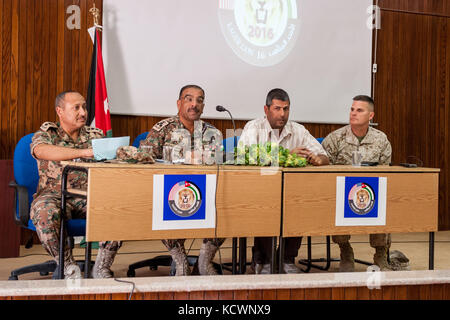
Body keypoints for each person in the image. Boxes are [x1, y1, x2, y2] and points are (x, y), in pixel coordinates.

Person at [30, 91, 122, 279]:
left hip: (89, 194)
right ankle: (67, 265)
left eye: (84, 107)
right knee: (44, 212)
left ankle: (102, 265)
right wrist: (86, 152)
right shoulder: (48, 133)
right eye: (76, 108)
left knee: (119, 211)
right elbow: (41, 150)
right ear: (60, 111)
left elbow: (112, 161)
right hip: (54, 194)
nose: (83, 112)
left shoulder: (95, 134)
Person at [239, 88, 329, 274]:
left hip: (292, 192)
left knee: (301, 203)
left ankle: (287, 259)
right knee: (267, 204)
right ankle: (262, 259)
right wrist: (287, 155)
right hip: (259, 191)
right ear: (266, 109)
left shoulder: (298, 130)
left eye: (286, 109)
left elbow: (323, 155)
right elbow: (244, 157)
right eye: (277, 109)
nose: (282, 114)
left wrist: (320, 159)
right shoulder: (253, 128)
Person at [140, 84, 225, 276]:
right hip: (170, 195)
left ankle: (203, 262)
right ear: (179, 103)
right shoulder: (162, 129)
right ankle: (181, 262)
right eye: (189, 99)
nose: (194, 104)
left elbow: (220, 166)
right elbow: (144, 160)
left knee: (227, 207)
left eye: (199, 100)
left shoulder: (213, 133)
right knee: (164, 205)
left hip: (204, 195)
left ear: (203, 106)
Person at [322, 95, 397, 272]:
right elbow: (324, 172)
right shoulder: (336, 138)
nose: (353, 113)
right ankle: (345, 251)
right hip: (342, 193)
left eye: (359, 110)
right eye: (352, 109)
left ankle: (381, 254)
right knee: (337, 200)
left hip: (371, 193)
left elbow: (385, 174)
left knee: (384, 200)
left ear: (371, 116)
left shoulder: (381, 140)